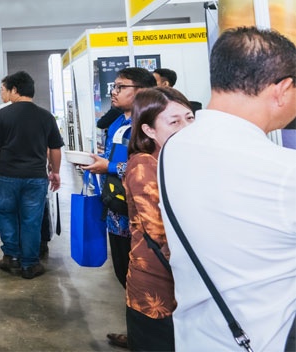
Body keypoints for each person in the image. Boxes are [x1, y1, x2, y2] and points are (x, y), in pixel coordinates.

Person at [160, 27, 296, 351]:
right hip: (263, 342)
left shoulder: (173, 147)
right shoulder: (283, 172)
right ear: (282, 89)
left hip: (195, 337)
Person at [86, 66, 155, 349]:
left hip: (141, 214)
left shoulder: (149, 124)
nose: (113, 92)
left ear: (141, 91)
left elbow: (151, 166)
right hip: (117, 209)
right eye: (113, 87)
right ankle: (138, 333)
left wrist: (110, 167)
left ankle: (149, 338)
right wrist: (99, 163)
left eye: (120, 87)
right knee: (123, 272)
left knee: (144, 277)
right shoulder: (118, 121)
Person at [124, 87, 194, 351]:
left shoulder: (180, 159)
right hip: (157, 286)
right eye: (174, 122)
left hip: (187, 286)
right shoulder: (144, 165)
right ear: (149, 130)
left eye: (189, 118)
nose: (186, 128)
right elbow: (160, 231)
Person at [0, 71, 62, 279]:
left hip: (7, 176)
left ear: (15, 90)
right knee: (32, 220)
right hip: (36, 177)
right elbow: (55, 148)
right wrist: (55, 172)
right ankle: (30, 264)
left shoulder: (3, 115)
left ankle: (12, 258)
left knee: (7, 214)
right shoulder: (46, 116)